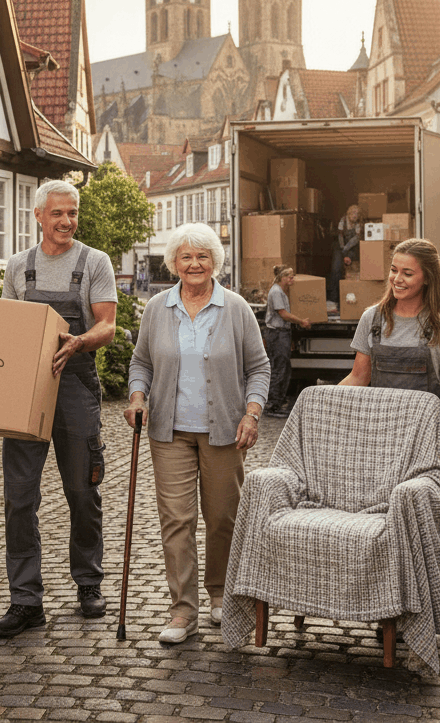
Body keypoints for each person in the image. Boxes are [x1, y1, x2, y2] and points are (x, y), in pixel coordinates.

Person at [125, 223, 270, 644]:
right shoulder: (157, 308)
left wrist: (253, 413)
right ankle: (182, 610)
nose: (194, 264)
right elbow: (142, 363)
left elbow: (259, 367)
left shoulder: (236, 308)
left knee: (223, 517)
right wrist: (137, 396)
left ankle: (221, 593)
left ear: (214, 263)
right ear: (174, 263)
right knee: (177, 520)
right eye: (186, 257)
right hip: (169, 431)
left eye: (203, 257)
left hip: (225, 429)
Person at [0, 180, 118, 637]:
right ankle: (25, 600)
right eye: (58, 214)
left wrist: (80, 341)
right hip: (27, 387)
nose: (66, 221)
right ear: (38, 216)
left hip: (77, 386)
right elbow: (5, 325)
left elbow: (108, 324)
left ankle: (88, 583)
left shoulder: (94, 262)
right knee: (19, 497)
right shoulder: (17, 267)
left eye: (73, 213)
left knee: (83, 492)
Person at [339, 237, 440, 608]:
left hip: (425, 440)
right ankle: (386, 607)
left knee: (425, 519)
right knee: (382, 521)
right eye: (394, 270)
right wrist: (323, 401)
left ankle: (431, 605)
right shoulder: (374, 319)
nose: (397, 278)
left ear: (427, 277)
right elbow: (359, 376)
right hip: (378, 438)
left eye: (407, 273)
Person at [263, 265, 310, 417]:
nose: (292, 279)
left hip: (281, 333)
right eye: (290, 276)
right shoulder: (276, 292)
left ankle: (278, 402)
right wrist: (301, 321)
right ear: (282, 277)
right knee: (278, 369)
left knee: (284, 368)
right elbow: (283, 314)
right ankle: (272, 405)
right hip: (276, 334)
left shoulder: (281, 291)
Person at [326, 203, 362, 307]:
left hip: (351, 247)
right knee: (336, 269)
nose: (355, 216)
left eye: (357, 214)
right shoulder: (343, 221)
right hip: (340, 246)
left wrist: (347, 251)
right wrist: (343, 250)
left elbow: (356, 239)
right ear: (349, 213)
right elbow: (340, 236)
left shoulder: (358, 224)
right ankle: (333, 298)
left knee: (350, 270)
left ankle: (349, 299)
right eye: (354, 213)